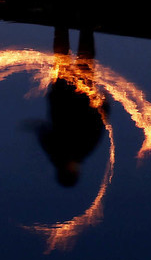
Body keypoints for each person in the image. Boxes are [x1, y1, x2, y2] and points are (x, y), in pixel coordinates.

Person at [37, 27, 106, 188]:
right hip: (71, 97)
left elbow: (98, 126)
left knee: (76, 58)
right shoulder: (61, 151)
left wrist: (102, 106)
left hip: (69, 97)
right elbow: (97, 126)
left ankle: (78, 26)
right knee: (74, 58)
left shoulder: (66, 151)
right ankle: (70, 25)